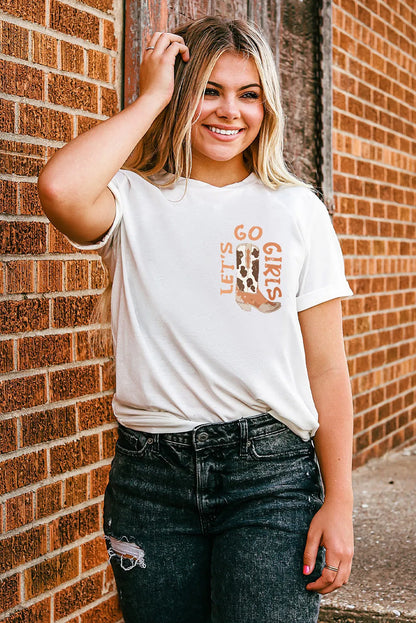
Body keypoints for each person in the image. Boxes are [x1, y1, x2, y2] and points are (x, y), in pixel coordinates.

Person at [38, 16, 354, 623]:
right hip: (149, 482)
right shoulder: (132, 199)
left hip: (269, 477)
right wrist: (153, 95)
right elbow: (59, 187)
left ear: (268, 106)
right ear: (184, 95)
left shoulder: (297, 209)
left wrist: (338, 501)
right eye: (209, 89)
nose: (229, 111)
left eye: (249, 93)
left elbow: (328, 368)